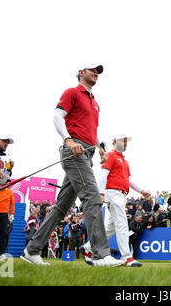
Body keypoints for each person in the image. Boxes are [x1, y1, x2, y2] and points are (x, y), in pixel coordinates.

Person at [21, 63, 124, 267]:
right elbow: (57, 116)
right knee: (93, 197)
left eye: (98, 71)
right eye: (92, 69)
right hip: (74, 151)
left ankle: (32, 250)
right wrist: (69, 140)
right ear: (81, 73)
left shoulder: (95, 103)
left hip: (87, 153)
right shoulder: (72, 92)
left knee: (62, 207)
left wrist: (101, 146)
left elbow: (93, 129)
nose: (96, 73)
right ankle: (100, 255)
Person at [81, 134, 151, 267]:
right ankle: (127, 257)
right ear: (114, 142)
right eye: (123, 140)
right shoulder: (111, 155)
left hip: (121, 195)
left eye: (126, 141)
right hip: (113, 193)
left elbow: (128, 179)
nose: (125, 143)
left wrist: (141, 191)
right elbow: (103, 174)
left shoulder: (125, 161)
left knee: (111, 227)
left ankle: (88, 247)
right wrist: (101, 193)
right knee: (122, 223)